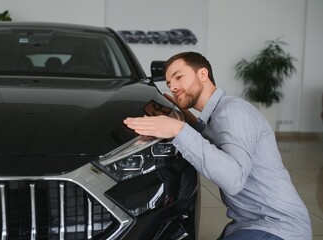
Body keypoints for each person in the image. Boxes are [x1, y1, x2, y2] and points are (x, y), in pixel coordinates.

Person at [124, 52, 312, 240]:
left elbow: (233, 179)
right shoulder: (219, 114)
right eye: (168, 83)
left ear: (203, 74)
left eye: (179, 77)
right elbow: (219, 142)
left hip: (277, 226)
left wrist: (180, 130)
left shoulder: (233, 112)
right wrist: (191, 124)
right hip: (249, 225)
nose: (172, 86)